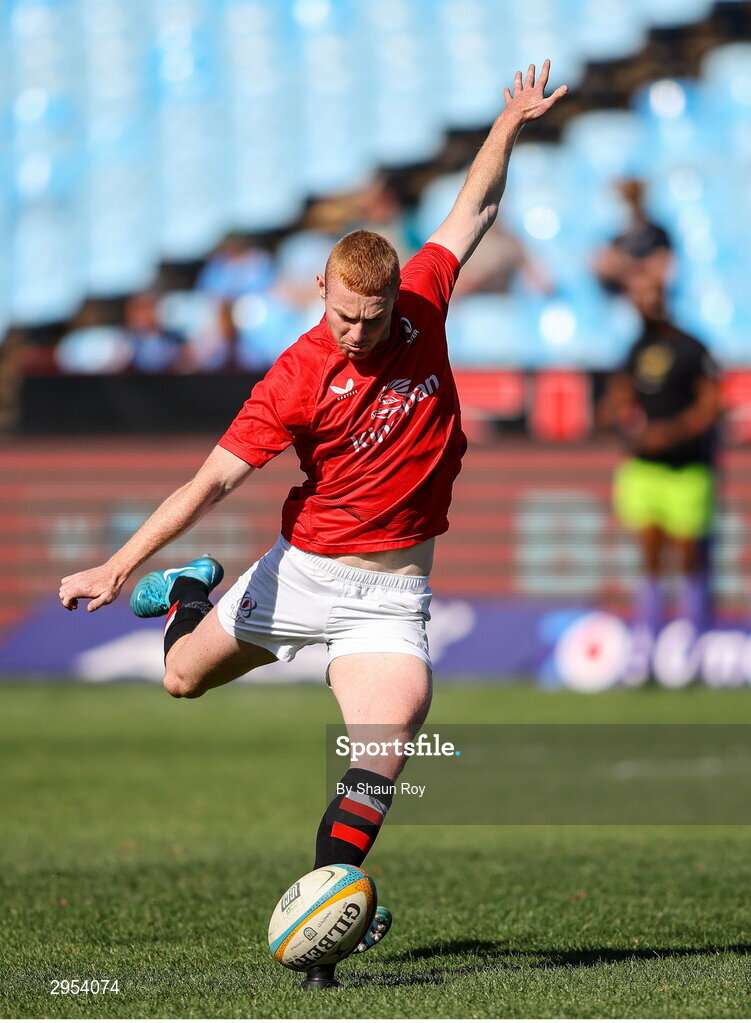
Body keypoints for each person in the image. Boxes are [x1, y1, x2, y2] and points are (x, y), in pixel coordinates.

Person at [59, 62, 567, 989]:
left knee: (385, 745)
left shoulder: (422, 298)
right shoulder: (296, 375)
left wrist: (508, 125)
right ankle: (190, 596)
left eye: (372, 320)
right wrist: (117, 564)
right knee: (178, 681)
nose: (358, 334)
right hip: (302, 574)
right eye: (343, 316)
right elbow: (210, 480)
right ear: (322, 292)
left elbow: (474, 209)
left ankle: (322, 940)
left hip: (390, 596)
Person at [600, 255, 721, 648]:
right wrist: (623, 419)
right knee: (650, 559)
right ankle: (648, 642)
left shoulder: (691, 348)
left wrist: (670, 433)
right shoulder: (635, 350)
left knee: (689, 559)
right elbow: (621, 396)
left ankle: (693, 644)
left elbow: (710, 405)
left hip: (687, 469)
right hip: (644, 470)